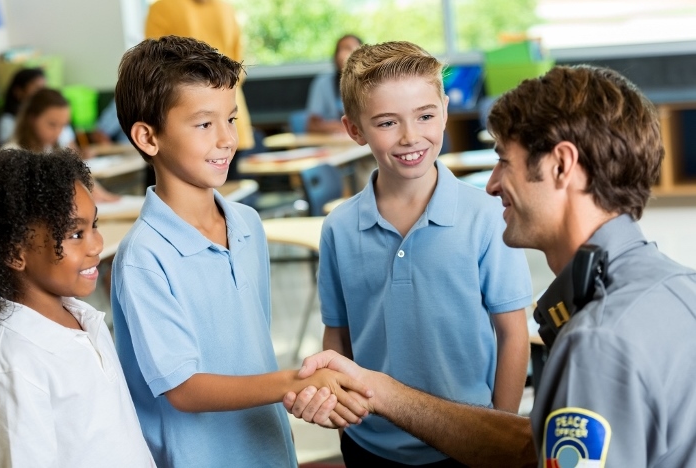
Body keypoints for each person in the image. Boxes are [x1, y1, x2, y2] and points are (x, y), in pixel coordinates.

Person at [285, 64, 696, 467]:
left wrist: (384, 393)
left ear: (561, 166)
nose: (492, 184)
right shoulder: (681, 286)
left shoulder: (597, 342)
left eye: (505, 162)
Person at [111, 35, 370, 467]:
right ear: (148, 138)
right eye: (204, 124)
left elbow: (252, 350)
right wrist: (294, 381)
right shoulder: (143, 258)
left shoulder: (247, 225)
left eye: (230, 119)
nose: (227, 138)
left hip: (268, 448)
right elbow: (185, 389)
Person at [315, 41, 532, 466]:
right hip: (369, 444)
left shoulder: (486, 217)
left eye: (426, 116)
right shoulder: (339, 228)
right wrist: (346, 420)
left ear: (445, 111)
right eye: (386, 122)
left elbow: (513, 334)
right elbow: (337, 336)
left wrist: (498, 430)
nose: (411, 136)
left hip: (468, 443)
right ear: (354, 129)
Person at [0, 147, 155, 467]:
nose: (96, 244)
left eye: (93, 226)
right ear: (15, 253)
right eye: (75, 233)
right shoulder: (12, 367)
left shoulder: (83, 318)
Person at [145, 0, 255, 181]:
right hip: (232, 122)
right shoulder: (226, 8)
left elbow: (153, 69)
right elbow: (237, 69)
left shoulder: (162, 7)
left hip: (187, 127)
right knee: (225, 200)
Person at [2, 88, 119, 203]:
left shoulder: (52, 150)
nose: (57, 132)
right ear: (32, 119)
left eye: (63, 126)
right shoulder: (11, 154)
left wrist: (92, 190)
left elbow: (77, 176)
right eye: (52, 124)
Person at [0, 67, 76, 147]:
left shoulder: (49, 144)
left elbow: (71, 145)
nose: (58, 133)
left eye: (44, 88)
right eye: (37, 88)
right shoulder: (9, 123)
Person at [305, 34, 363, 134]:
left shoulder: (371, 83)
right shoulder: (323, 83)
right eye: (339, 50)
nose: (342, 55)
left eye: (348, 48)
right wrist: (336, 127)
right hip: (334, 142)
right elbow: (311, 125)